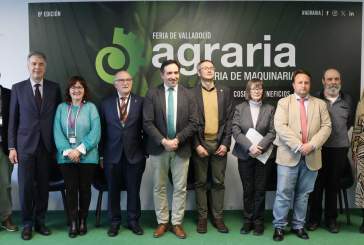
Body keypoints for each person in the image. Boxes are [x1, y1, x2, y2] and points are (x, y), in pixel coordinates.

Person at [272, 69, 331, 241]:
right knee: (283, 193)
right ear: (293, 84)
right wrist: (299, 146)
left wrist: (311, 145)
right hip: (288, 155)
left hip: (312, 156)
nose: (303, 85)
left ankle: (298, 225)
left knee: (303, 194)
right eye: (300, 82)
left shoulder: (320, 104)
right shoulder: (284, 102)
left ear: (310, 85)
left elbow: (327, 127)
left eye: (306, 82)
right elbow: (280, 126)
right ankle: (279, 227)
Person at [8, 51, 61, 240]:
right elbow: (12, 120)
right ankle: (27, 224)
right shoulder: (18, 88)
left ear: (45, 67)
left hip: (47, 147)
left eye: (40, 64)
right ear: (28, 66)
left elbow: (59, 118)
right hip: (25, 147)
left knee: (43, 187)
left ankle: (40, 222)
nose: (37, 67)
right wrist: (12, 147)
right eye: (33, 64)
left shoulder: (55, 88)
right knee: (26, 188)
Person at [143, 60, 198, 239]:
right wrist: (163, 141)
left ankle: (176, 223)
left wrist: (177, 140)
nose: (173, 76)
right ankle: (162, 222)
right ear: (162, 75)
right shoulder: (152, 94)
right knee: (159, 186)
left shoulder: (188, 95)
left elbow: (194, 122)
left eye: (176, 73)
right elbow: (147, 122)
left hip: (181, 148)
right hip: (159, 148)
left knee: (180, 188)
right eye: (169, 73)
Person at [53, 76, 101, 238]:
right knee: (71, 189)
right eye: (73, 87)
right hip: (66, 157)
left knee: (85, 189)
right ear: (69, 90)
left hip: (88, 157)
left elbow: (95, 133)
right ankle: (73, 221)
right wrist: (69, 151)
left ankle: (83, 220)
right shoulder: (61, 108)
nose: (76, 90)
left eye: (80, 87)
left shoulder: (91, 108)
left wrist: (79, 150)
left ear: (84, 91)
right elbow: (57, 132)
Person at [308, 68, 354, 233]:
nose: (333, 82)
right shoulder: (315, 99)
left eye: (336, 79)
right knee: (316, 185)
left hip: (339, 149)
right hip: (318, 148)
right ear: (323, 81)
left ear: (340, 81)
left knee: (333, 186)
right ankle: (313, 219)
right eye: (329, 79)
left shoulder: (348, 100)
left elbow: (348, 122)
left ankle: (331, 220)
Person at [100, 70, 146, 237]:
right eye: (121, 80)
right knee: (113, 190)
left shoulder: (141, 102)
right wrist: (101, 155)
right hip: (112, 156)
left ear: (132, 82)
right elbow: (102, 132)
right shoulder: (105, 103)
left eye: (128, 80)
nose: (125, 83)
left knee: (134, 190)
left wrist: (145, 153)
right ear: (115, 84)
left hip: (135, 156)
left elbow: (146, 129)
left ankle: (133, 221)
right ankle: (114, 222)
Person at [191, 59, 232, 234]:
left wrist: (225, 143)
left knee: (218, 182)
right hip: (200, 144)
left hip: (219, 143)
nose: (208, 70)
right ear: (198, 73)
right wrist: (196, 145)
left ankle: (218, 218)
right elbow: (188, 122)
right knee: (200, 183)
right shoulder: (191, 93)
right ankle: (202, 218)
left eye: (211, 68)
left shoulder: (225, 91)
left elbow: (230, 120)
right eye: (204, 68)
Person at [232, 79, 275, 236]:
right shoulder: (239, 108)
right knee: (248, 189)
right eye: (254, 89)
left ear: (263, 91)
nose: (257, 91)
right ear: (248, 91)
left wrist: (260, 147)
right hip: (245, 154)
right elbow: (235, 130)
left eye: (259, 89)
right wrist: (250, 146)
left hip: (263, 156)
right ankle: (247, 221)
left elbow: (272, 131)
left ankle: (258, 222)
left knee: (260, 190)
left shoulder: (270, 108)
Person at [0, 78, 18, 233]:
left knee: (4, 184)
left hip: (5, 147)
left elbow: (16, 121)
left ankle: (6, 217)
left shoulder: (10, 94)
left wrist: (14, 147)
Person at [351, 91, 364, 233]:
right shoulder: (361, 105)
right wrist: (354, 151)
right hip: (363, 152)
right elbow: (357, 130)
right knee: (363, 187)